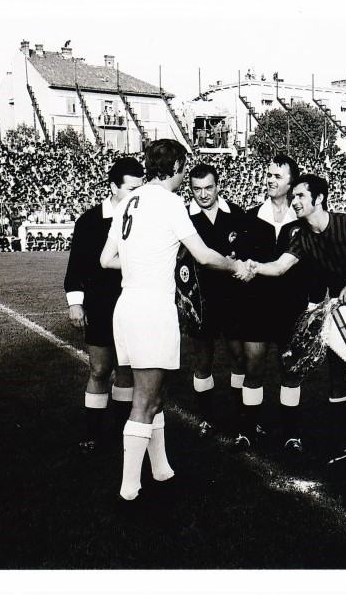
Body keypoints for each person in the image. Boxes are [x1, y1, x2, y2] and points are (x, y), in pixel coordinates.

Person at [100, 139, 249, 502]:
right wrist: (235, 265)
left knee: (155, 395)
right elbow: (204, 256)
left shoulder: (129, 201)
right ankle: (129, 488)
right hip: (152, 309)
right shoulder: (170, 202)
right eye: (184, 169)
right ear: (178, 166)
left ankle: (161, 467)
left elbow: (106, 259)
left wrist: (145, 264)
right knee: (144, 399)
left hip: (127, 306)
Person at [243, 174, 346, 471]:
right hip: (338, 309)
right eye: (293, 196)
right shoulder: (303, 236)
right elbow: (280, 267)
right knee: (336, 381)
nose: (294, 201)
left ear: (319, 198)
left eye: (300, 196)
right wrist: (254, 266)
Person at [234, 154, 325, 454]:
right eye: (269, 174)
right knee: (253, 370)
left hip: (292, 308)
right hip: (255, 307)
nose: (270, 180)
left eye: (277, 176)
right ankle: (247, 430)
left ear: (291, 183)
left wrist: (313, 305)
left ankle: (291, 434)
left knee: (291, 371)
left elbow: (315, 266)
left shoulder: (302, 221)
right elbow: (241, 262)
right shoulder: (250, 217)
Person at [64, 157, 143, 452]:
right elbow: (76, 266)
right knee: (99, 369)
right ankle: (92, 433)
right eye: (131, 189)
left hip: (132, 303)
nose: (136, 195)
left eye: (140, 189)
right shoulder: (89, 221)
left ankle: (122, 431)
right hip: (100, 305)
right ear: (113, 187)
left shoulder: (141, 219)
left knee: (126, 371)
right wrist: (75, 303)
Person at [185, 162, 247, 439]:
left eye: (208, 187)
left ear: (218, 186)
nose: (203, 194)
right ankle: (206, 418)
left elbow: (246, 253)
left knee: (239, 358)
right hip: (200, 302)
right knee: (203, 361)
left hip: (234, 299)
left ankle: (243, 418)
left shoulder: (235, 213)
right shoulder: (184, 217)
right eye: (197, 189)